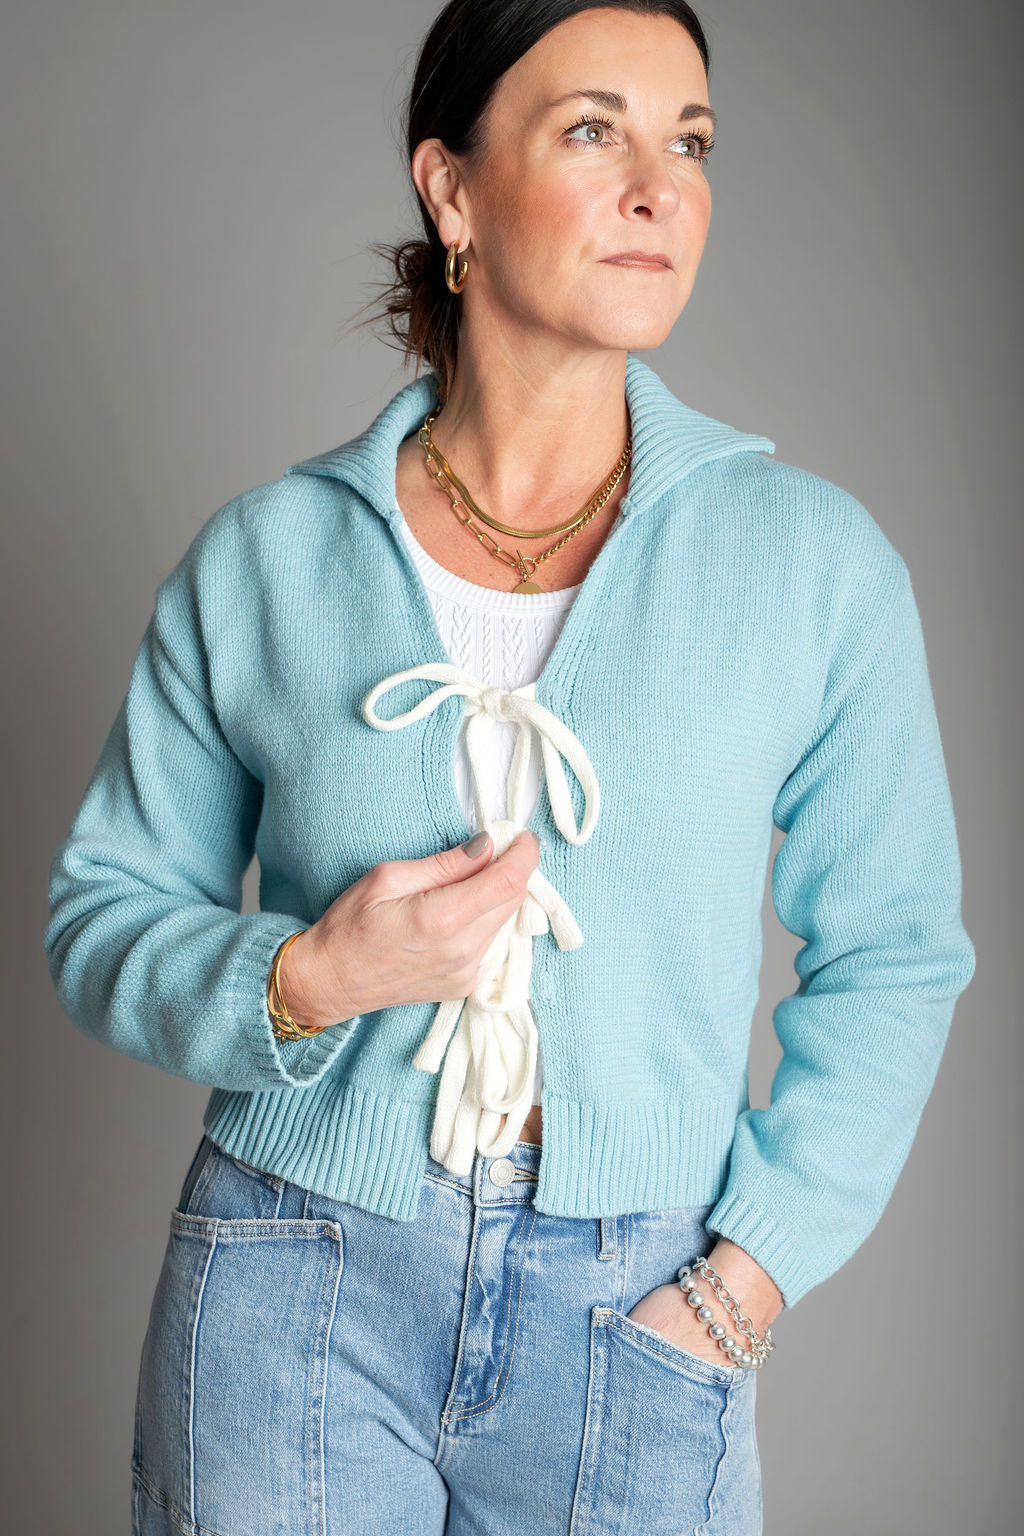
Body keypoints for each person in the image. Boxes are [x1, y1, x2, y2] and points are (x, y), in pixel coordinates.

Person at [43, 3, 976, 1533]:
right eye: (594, 130)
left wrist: (741, 1284)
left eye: (691, 144)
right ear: (453, 188)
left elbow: (896, 954)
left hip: (641, 1297)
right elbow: (101, 915)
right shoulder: (266, 558)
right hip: (296, 1270)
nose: (660, 190)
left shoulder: (813, 565)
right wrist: (308, 978)